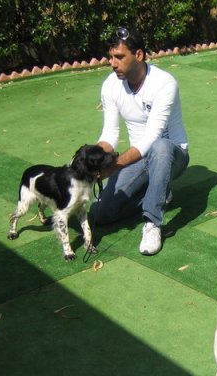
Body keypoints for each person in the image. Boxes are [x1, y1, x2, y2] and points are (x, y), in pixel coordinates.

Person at [90, 27, 189, 255]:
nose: (113, 63)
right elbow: (109, 135)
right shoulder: (110, 85)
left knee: (160, 147)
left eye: (120, 57)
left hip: (172, 154)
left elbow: (151, 138)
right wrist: (92, 160)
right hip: (139, 159)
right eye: (111, 57)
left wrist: (114, 167)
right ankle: (159, 191)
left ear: (140, 55)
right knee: (100, 214)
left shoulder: (164, 83)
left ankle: (152, 221)